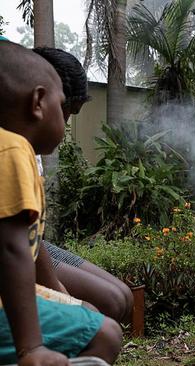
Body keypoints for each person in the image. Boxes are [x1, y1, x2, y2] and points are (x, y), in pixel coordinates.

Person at [0, 40, 121, 365]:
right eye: (63, 106)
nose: (66, 124)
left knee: (92, 312)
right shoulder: (12, 148)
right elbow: (12, 249)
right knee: (105, 333)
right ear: (39, 101)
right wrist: (31, 348)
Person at [32, 47, 134, 324]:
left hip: (35, 245)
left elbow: (33, 234)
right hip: (22, 251)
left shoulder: (30, 151)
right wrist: (65, 299)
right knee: (107, 305)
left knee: (124, 296)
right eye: (65, 113)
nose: (64, 126)